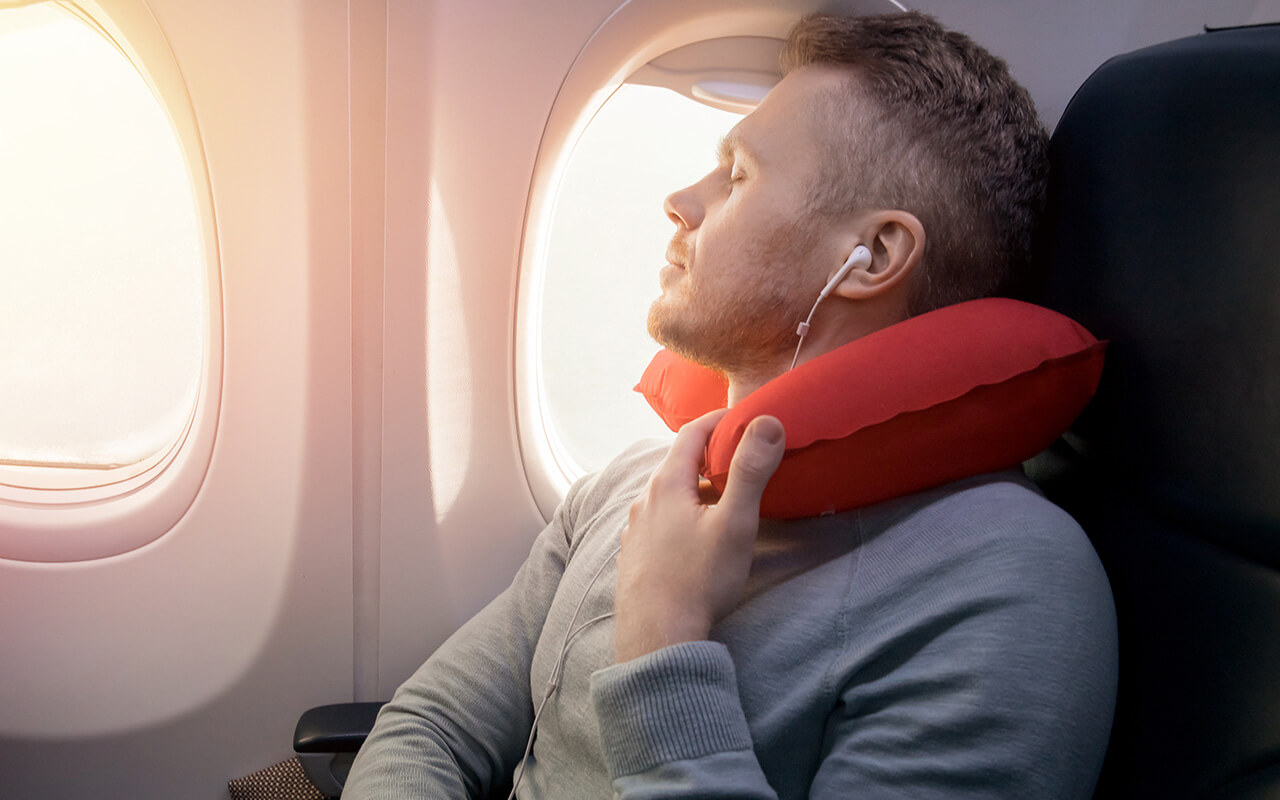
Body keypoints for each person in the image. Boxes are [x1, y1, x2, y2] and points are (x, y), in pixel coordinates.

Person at [344, 11, 1117, 799]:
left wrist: (663, 644)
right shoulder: (641, 482)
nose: (681, 200)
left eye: (738, 175)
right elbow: (429, 728)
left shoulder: (1006, 585)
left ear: (872, 256)